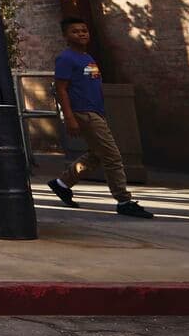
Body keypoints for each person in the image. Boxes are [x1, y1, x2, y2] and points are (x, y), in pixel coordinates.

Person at [48, 16, 153, 219]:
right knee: (112, 155)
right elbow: (60, 89)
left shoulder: (88, 57)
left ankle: (62, 183)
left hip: (96, 111)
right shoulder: (65, 59)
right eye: (75, 31)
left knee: (97, 154)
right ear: (65, 36)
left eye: (84, 30)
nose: (81, 34)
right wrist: (69, 117)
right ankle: (123, 201)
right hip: (83, 113)